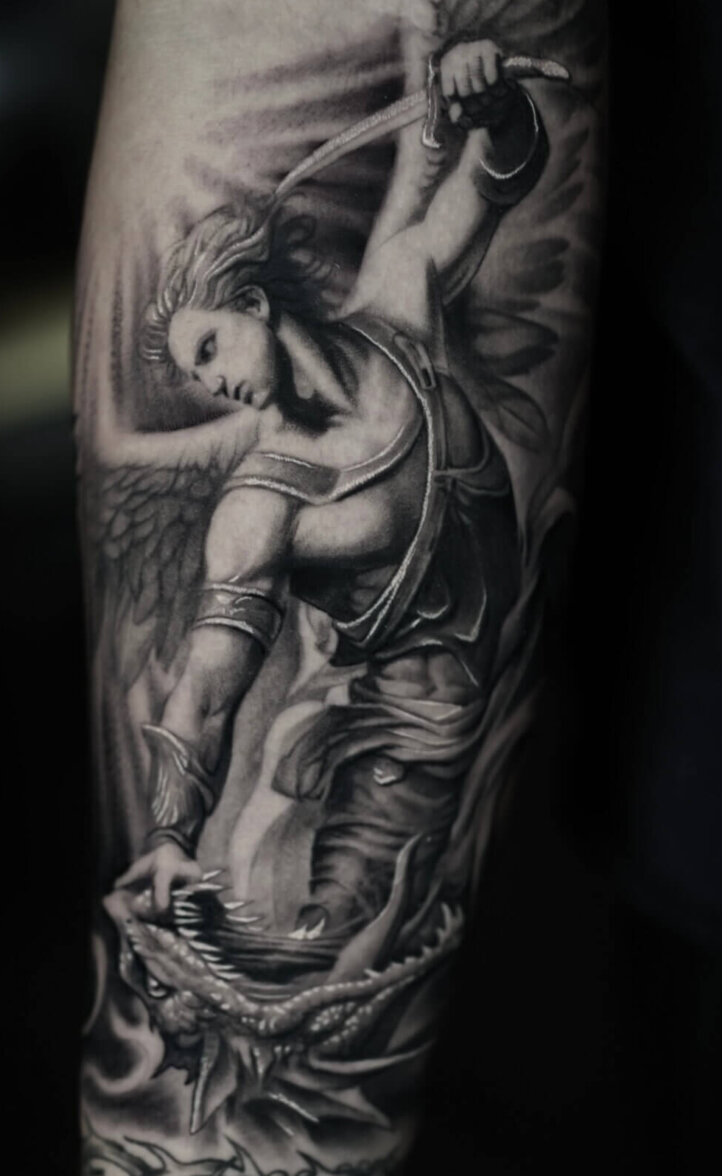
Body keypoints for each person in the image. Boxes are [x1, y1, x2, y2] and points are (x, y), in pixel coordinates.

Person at [114, 37, 549, 935]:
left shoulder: (398, 303)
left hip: (556, 702)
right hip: (407, 742)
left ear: (253, 303)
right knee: (340, 934)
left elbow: (497, 178)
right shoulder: (260, 508)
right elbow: (205, 690)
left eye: (210, 349)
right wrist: (168, 834)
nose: (215, 383)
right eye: (198, 376)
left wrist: (496, 106)